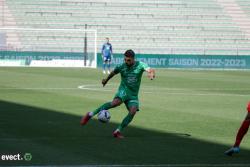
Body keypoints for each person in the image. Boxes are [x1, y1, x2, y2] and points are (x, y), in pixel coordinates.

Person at [80, 49, 155, 138]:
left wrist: (151, 74)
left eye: (128, 60)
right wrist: (106, 80)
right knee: (115, 103)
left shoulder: (140, 65)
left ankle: (117, 131)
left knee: (133, 111)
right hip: (124, 90)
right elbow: (113, 73)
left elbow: (150, 70)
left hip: (133, 94)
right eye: (125, 59)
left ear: (133, 59)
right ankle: (90, 114)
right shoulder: (122, 66)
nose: (126, 62)